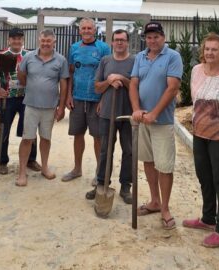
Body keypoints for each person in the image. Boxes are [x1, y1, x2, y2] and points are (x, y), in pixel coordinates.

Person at [182, 33, 219, 248]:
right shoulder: (196, 71)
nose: (210, 53)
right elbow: (195, 101)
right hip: (199, 133)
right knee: (204, 177)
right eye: (207, 49)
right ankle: (208, 219)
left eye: (215, 49)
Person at [129, 22, 183, 230]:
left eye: (156, 37)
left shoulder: (173, 57)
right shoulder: (140, 57)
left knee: (165, 166)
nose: (152, 41)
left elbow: (172, 88)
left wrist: (154, 113)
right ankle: (154, 201)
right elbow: (133, 83)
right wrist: (137, 109)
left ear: (163, 37)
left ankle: (165, 208)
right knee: (149, 161)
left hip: (162, 121)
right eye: (149, 37)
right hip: (142, 120)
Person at [85, 29, 135, 204]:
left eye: (122, 40)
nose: (119, 43)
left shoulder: (134, 61)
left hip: (128, 115)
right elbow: (97, 87)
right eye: (116, 40)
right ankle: (101, 183)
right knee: (106, 150)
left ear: (127, 42)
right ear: (112, 43)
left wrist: (122, 78)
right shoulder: (105, 61)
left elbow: (138, 87)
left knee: (128, 151)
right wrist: (109, 81)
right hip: (107, 113)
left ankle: (126, 187)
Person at [16, 29, 69, 186]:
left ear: (54, 42)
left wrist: (61, 107)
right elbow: (21, 75)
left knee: (46, 138)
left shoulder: (61, 60)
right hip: (31, 105)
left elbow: (63, 83)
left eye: (49, 41)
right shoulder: (28, 57)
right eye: (43, 41)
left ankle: (44, 167)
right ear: (39, 41)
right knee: (27, 139)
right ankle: (22, 172)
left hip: (49, 107)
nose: (45, 43)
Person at [62, 18, 111, 183]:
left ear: (95, 30)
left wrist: (103, 99)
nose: (87, 31)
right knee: (77, 134)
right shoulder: (74, 48)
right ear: (79, 30)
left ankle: (99, 173)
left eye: (90, 28)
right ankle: (77, 169)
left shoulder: (104, 48)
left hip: (96, 99)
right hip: (77, 98)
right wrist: (68, 95)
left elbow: (107, 75)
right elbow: (69, 74)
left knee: (98, 136)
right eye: (84, 28)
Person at [0, 27, 41, 175]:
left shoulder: (30, 55)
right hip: (8, 98)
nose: (17, 41)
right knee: (4, 129)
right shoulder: (2, 56)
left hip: (27, 98)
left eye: (19, 38)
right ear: (9, 40)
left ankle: (31, 159)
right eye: (14, 38)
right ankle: (2, 161)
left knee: (30, 129)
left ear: (23, 40)